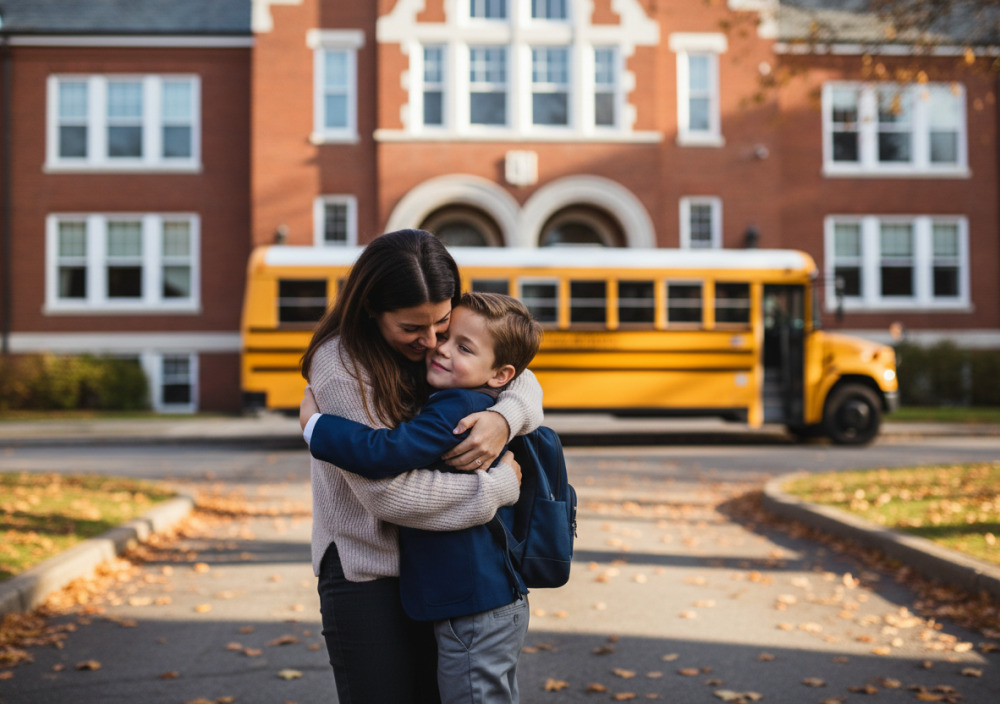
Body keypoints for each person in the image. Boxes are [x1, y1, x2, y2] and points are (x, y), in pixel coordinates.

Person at [299, 229, 544, 704]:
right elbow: (389, 495)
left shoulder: (437, 351)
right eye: (413, 328)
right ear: (371, 309)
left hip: (436, 568)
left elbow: (520, 372)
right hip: (367, 572)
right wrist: (499, 486)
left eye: (444, 324)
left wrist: (502, 417)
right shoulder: (340, 366)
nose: (432, 342)